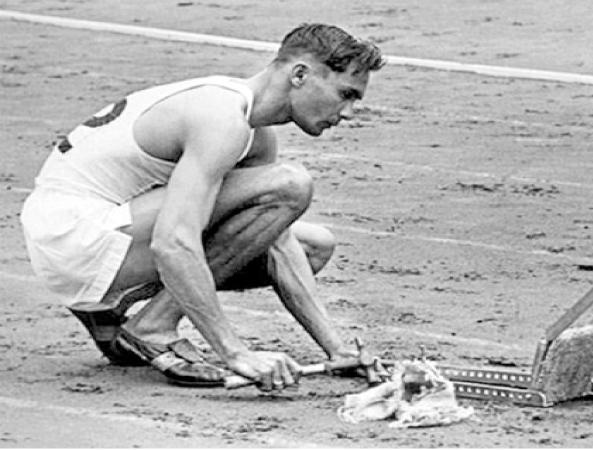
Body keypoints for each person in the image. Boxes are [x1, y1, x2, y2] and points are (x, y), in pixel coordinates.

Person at [19, 23, 385, 390]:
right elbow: (172, 242)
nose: (349, 112)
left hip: (95, 231)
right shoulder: (221, 118)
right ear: (300, 75)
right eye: (345, 94)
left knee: (312, 247)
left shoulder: (254, 133)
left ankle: (110, 316)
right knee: (290, 184)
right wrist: (234, 352)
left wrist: (336, 350)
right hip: (74, 237)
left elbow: (276, 242)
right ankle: (152, 325)